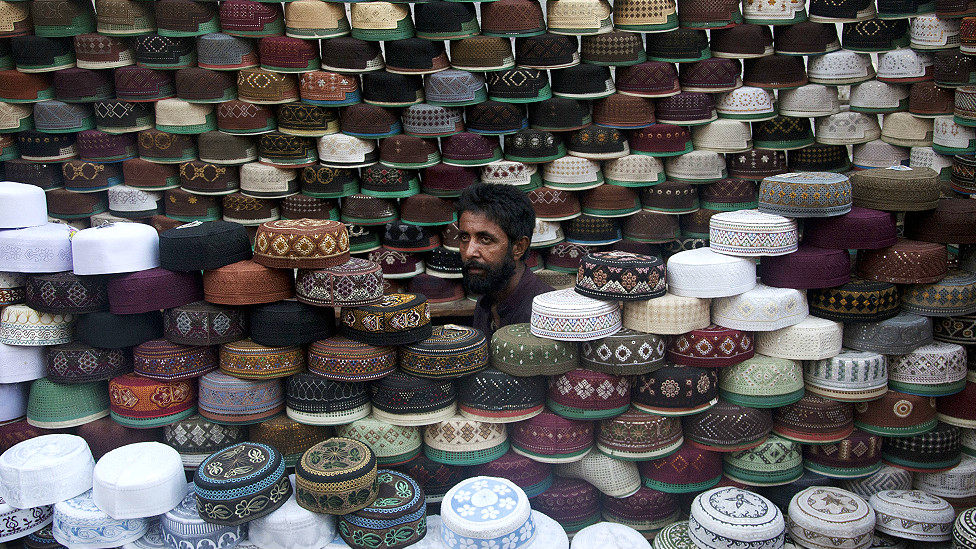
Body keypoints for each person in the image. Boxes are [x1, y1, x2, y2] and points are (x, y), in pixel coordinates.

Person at [456, 183, 553, 336]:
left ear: (518, 247)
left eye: (485, 239)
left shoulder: (546, 317)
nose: (469, 252)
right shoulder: (486, 301)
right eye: (464, 237)